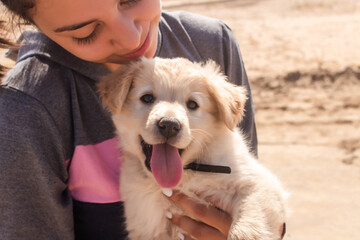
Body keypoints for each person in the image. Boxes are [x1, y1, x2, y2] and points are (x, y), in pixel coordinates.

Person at [0, 0, 259, 239]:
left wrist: (261, 226)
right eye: (86, 32)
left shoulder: (212, 43)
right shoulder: (26, 109)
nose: (131, 39)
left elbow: (251, 192)